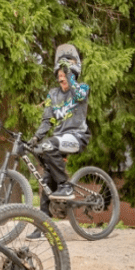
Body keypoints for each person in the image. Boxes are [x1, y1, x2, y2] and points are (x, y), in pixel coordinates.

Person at [26, 44, 90, 240]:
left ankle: (66, 185)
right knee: (46, 182)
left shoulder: (81, 89)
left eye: (65, 74)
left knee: (49, 145)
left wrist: (69, 72)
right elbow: (47, 120)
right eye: (59, 74)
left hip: (77, 136)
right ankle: (43, 227)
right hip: (59, 140)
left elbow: (79, 94)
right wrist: (35, 138)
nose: (61, 77)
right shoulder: (52, 95)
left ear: (72, 73)